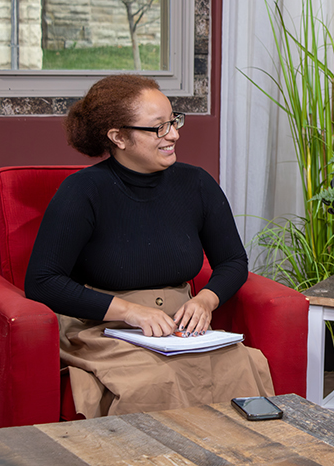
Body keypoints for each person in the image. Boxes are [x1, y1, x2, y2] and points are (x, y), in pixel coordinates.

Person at [25, 74, 273, 418]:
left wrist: (205, 300)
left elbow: (233, 260)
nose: (174, 134)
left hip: (180, 329)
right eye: (158, 127)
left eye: (173, 121)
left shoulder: (197, 183)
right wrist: (130, 312)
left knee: (239, 366)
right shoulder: (81, 192)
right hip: (106, 328)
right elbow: (43, 281)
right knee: (155, 380)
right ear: (118, 137)